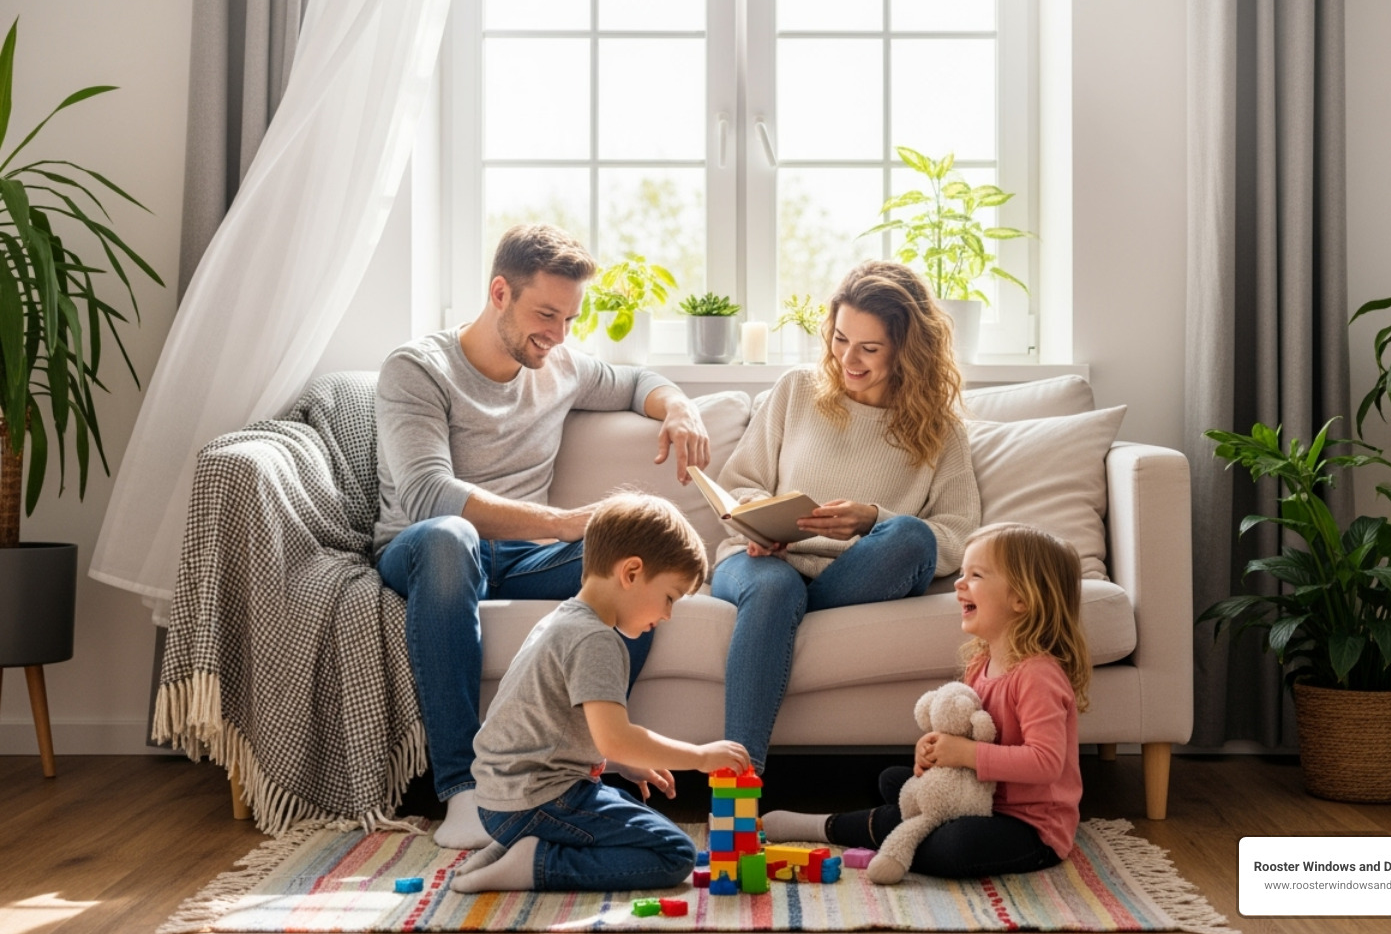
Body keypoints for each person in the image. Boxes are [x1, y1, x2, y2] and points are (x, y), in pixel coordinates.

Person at [373, 223, 710, 849]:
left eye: (569, 319)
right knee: (450, 537)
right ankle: (464, 790)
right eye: (545, 314)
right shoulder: (417, 369)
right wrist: (559, 523)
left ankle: (587, 765)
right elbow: (426, 495)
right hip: (427, 550)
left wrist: (682, 408)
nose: (557, 335)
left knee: (630, 561)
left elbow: (637, 382)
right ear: (500, 292)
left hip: (522, 559)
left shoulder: (561, 366)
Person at [709, 259, 981, 771]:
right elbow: (740, 482)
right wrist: (758, 521)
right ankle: (737, 787)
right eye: (839, 339)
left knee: (909, 536)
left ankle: (787, 618)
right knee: (775, 589)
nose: (847, 359)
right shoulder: (796, 390)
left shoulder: (941, 431)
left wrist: (872, 519)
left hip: (858, 576)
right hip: (761, 563)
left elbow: (958, 534)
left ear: (907, 349)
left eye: (869, 348)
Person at [450, 493, 751, 894]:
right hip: (536, 799)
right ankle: (536, 863)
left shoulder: (563, 620)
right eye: (669, 597)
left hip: (498, 800)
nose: (667, 615)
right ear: (631, 572)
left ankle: (511, 846)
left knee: (628, 820)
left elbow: (556, 725)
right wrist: (700, 758)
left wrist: (622, 763)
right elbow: (616, 738)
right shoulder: (595, 640)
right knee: (675, 853)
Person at [761, 523, 1091, 878]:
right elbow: (965, 733)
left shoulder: (1038, 675)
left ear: (1021, 599)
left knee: (956, 845)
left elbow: (1045, 763)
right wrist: (935, 750)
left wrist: (965, 753)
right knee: (894, 780)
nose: (959, 584)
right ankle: (898, 827)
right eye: (962, 573)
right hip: (978, 801)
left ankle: (828, 827)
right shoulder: (981, 663)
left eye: (976, 575)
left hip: (1031, 828)